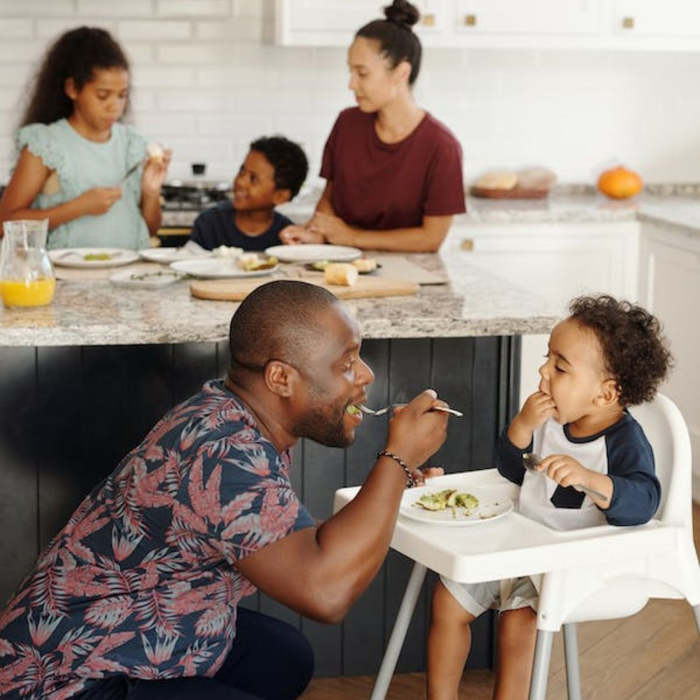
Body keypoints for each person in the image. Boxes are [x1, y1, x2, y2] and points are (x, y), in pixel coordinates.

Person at [0, 280, 449, 699]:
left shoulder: (230, 411)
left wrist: (396, 481)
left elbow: (285, 540)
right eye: (347, 364)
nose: (365, 375)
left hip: (147, 621)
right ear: (281, 378)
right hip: (70, 676)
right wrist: (397, 460)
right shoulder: (223, 451)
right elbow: (325, 593)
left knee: (285, 659)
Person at [427, 294, 672, 700]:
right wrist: (522, 427)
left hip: (567, 566)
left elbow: (644, 501)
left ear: (605, 395)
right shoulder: (550, 417)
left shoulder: (624, 442)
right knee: (448, 600)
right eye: (547, 358)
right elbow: (513, 472)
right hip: (517, 546)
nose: (543, 371)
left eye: (560, 367)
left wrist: (592, 479)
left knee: (518, 625)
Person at [280, 0, 465, 253]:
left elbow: (431, 238)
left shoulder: (441, 147)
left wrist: (353, 237)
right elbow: (329, 201)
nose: (351, 84)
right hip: (342, 265)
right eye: (350, 71)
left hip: (408, 269)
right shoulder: (347, 124)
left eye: (362, 73)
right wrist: (315, 235)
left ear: (401, 73)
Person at [0, 26, 170, 250]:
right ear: (72, 89)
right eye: (103, 95)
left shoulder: (133, 144)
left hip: (130, 269)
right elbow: (5, 224)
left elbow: (150, 229)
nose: (115, 107)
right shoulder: (46, 144)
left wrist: (150, 193)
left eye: (122, 95)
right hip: (65, 271)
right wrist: (79, 207)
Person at [189, 136, 308, 251]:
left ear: (280, 196)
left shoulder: (287, 237)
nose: (240, 181)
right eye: (242, 171)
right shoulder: (209, 223)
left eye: (253, 179)